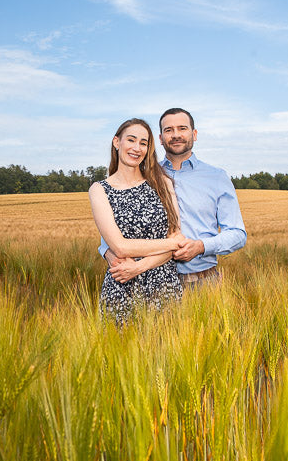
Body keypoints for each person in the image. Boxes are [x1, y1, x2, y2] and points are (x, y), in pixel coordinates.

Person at [102, 108, 246, 288]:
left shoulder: (216, 177)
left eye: (182, 128)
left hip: (202, 281)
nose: (176, 135)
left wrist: (201, 246)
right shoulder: (144, 178)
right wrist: (106, 249)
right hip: (150, 280)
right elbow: (118, 222)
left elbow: (237, 234)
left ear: (194, 134)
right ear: (161, 139)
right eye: (168, 130)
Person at [89, 118, 186, 324]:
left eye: (143, 143)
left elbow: (175, 232)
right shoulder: (99, 190)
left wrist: (139, 267)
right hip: (122, 286)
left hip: (164, 286)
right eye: (131, 140)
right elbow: (120, 247)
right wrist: (172, 243)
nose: (137, 148)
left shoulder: (163, 183)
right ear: (117, 142)